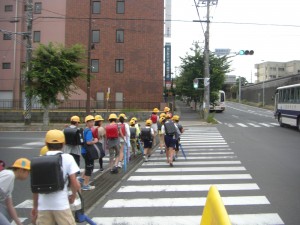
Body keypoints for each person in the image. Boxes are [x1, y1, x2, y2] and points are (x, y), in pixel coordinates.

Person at [31, 130, 81, 225]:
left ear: (46, 143)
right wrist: (73, 196)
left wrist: (35, 207)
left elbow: (35, 188)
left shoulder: (39, 160)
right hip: (61, 204)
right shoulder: (68, 158)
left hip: (43, 206)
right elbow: (74, 182)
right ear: (63, 143)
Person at [0, 158, 31, 225]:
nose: (28, 175)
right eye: (28, 172)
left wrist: (19, 223)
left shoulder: (10, 178)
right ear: (21, 170)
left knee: (7, 214)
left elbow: (9, 205)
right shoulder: (9, 175)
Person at [80, 115, 98, 190]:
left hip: (84, 151)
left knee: (87, 166)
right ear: (86, 123)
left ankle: (81, 179)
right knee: (89, 168)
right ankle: (86, 185)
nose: (92, 123)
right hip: (87, 152)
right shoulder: (89, 131)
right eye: (90, 122)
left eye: (93, 121)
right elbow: (88, 142)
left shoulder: (85, 130)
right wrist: (95, 141)